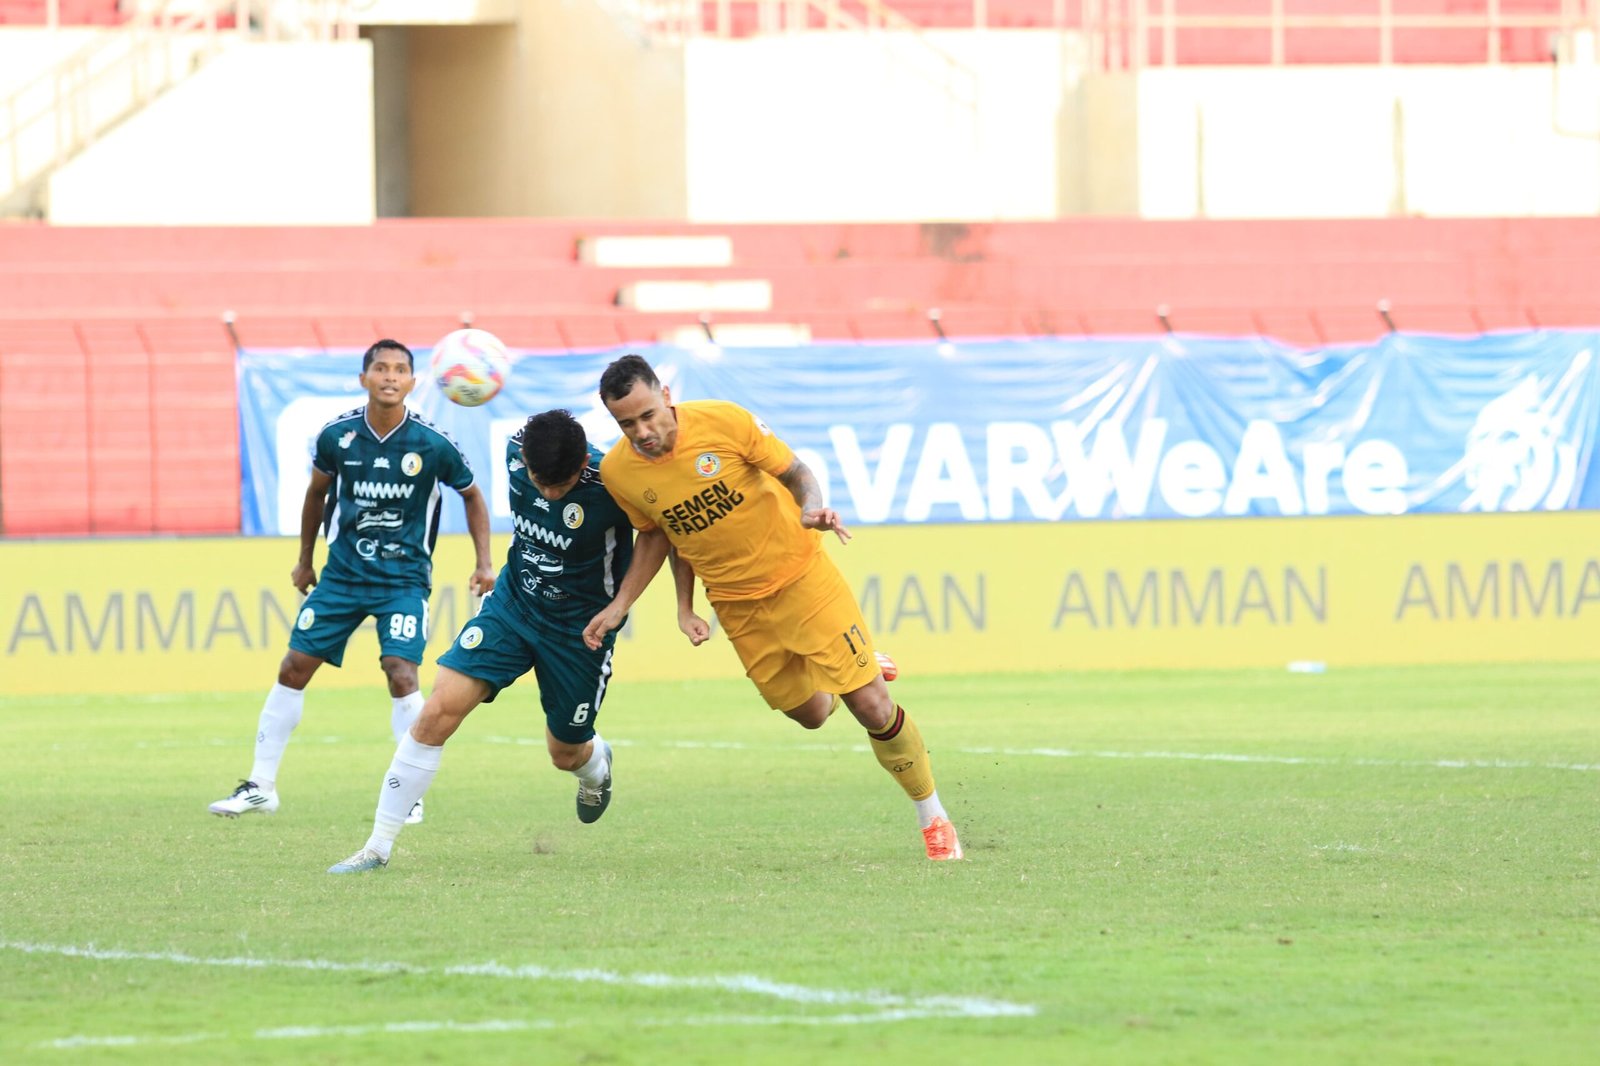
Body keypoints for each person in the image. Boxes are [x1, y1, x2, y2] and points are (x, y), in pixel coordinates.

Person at [584, 355, 963, 861]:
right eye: (626, 424)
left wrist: (811, 508)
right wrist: (664, 606)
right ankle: (855, 667)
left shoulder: (724, 421)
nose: (642, 432)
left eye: (648, 415)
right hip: (737, 605)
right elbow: (660, 534)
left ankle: (933, 817)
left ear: (666, 395)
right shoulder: (619, 472)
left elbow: (795, 471)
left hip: (802, 579)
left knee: (871, 706)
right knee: (811, 714)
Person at [328, 408, 668, 873]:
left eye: (562, 485)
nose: (549, 495)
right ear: (525, 463)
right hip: (514, 605)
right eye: (540, 483)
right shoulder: (514, 451)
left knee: (564, 752)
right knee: (437, 711)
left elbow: (657, 536)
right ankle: (376, 848)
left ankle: (595, 766)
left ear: (582, 466)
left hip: (580, 629)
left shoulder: (615, 482)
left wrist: (619, 607)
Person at [209, 339, 496, 822]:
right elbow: (315, 495)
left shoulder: (432, 443)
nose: (390, 377)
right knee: (293, 668)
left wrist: (484, 563)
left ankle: (409, 793)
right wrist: (305, 560)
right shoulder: (336, 436)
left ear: (413, 382)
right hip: (342, 577)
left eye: (400, 370)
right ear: (364, 378)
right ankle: (260, 786)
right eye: (380, 368)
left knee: (401, 672)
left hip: (403, 581)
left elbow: (472, 495)